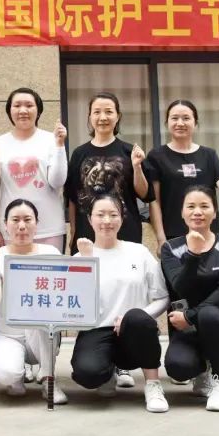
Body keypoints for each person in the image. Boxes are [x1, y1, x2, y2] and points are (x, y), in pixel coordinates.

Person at [64, 92, 153, 388]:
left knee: (126, 292)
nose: (103, 117)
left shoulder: (129, 150)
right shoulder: (79, 154)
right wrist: (74, 234)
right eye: (97, 111)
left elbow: (144, 193)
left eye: (109, 111)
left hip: (125, 233)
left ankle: (124, 361)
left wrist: (137, 166)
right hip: (89, 236)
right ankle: (100, 354)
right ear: (89, 117)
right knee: (95, 293)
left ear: (118, 116)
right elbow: (73, 199)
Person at [69, 194, 169, 412]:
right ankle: (107, 372)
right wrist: (86, 262)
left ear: (122, 219)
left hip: (133, 331)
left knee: (138, 319)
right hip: (96, 331)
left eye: (113, 215)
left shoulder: (138, 252)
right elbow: (74, 305)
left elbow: (162, 296)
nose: (107, 220)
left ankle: (153, 385)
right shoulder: (80, 257)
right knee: (88, 374)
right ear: (90, 219)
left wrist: (136, 317)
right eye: (100, 215)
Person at [160, 185, 219, 412]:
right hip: (188, 332)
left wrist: (190, 316)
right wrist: (193, 254)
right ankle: (203, 371)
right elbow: (180, 288)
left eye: (204, 206)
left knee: (209, 315)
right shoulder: (171, 248)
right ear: (182, 212)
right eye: (191, 206)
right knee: (178, 367)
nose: (197, 212)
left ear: (214, 211)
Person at [0, 199, 67, 404]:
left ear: (36, 223)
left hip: (41, 334)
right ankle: (17, 375)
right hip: (8, 334)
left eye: (27, 220)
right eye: (15, 220)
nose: (21, 226)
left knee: (44, 315)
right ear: (5, 224)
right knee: (6, 374)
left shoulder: (51, 253)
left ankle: (49, 378)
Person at [145, 99, 219, 246]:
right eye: (174, 118)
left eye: (186, 118)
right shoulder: (157, 156)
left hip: (209, 235)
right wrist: (161, 239)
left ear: (195, 123)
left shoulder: (208, 155)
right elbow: (154, 201)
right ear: (167, 122)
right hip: (174, 237)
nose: (180, 123)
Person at [0, 87, 68, 251]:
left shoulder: (51, 139)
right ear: (9, 111)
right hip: (13, 228)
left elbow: (58, 182)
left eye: (29, 105)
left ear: (38, 110)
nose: (23, 110)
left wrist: (59, 145)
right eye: (17, 106)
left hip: (49, 227)